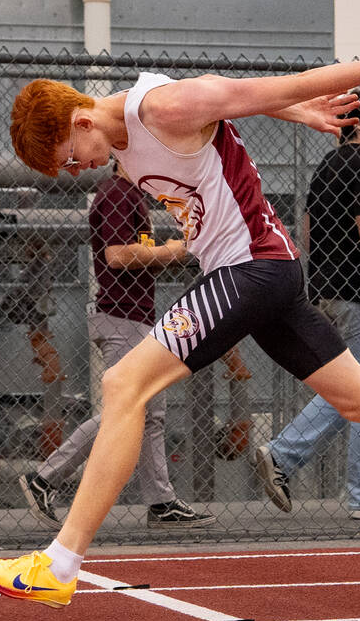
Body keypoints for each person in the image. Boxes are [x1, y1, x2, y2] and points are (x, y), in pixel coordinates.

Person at [0, 15, 360, 609]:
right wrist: (298, 114)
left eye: (69, 158)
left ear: (81, 120)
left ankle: (59, 564)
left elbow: (281, 86)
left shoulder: (165, 107)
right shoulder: (118, 141)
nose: (77, 170)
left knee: (123, 383)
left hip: (251, 269)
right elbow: (246, 112)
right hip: (263, 274)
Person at [19, 162, 215, 530]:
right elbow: (118, 256)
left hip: (133, 315)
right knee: (124, 409)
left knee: (151, 411)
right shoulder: (117, 194)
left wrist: (163, 253)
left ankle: (161, 502)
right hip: (121, 315)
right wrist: (171, 251)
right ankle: (45, 478)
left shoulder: (130, 194)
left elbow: (133, 254)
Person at [255, 86, 360, 519]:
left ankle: (291, 458)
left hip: (329, 291)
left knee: (355, 389)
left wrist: (329, 277)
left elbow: (308, 233)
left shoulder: (328, 166)